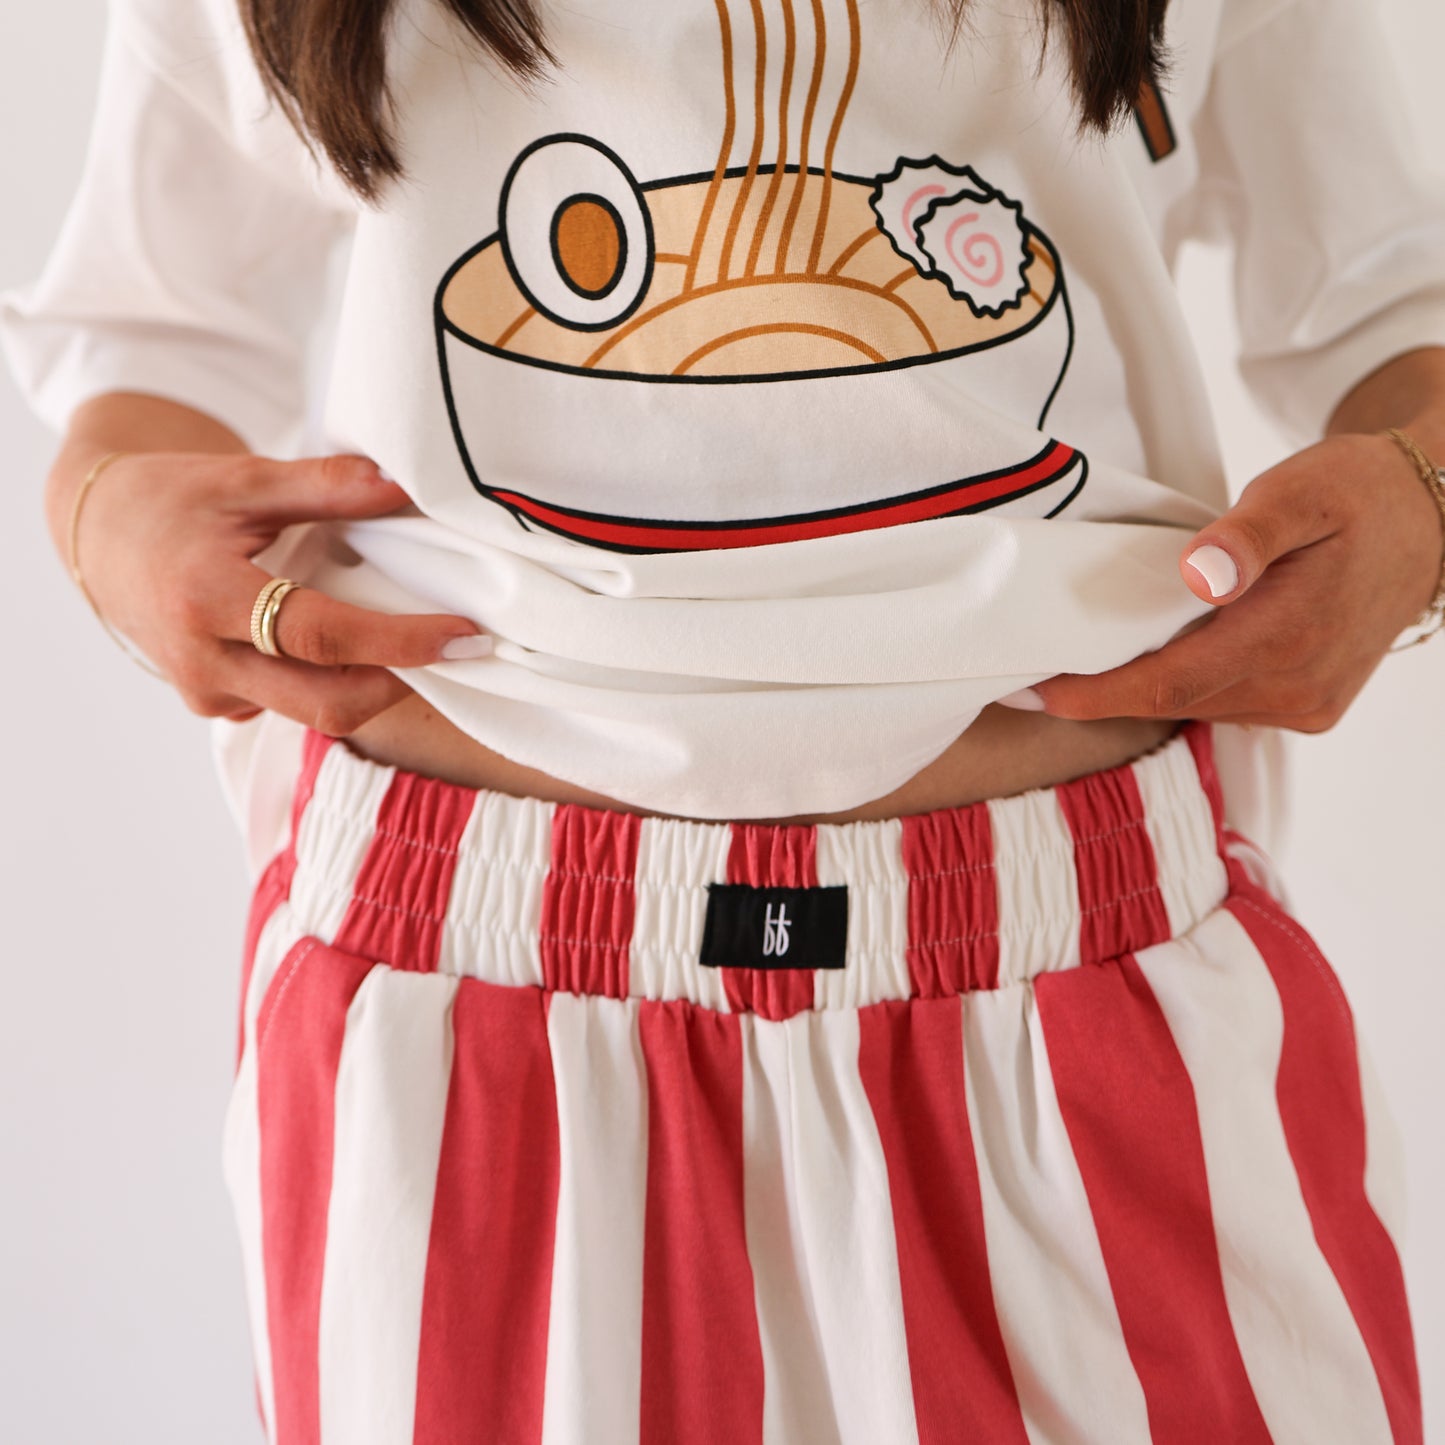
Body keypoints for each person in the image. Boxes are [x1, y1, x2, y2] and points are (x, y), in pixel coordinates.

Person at [2, 0, 1438, 1438]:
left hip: (1096, 984)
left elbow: (1393, 310)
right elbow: (152, 338)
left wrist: (1420, 508)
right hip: (457, 1031)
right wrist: (107, 517)